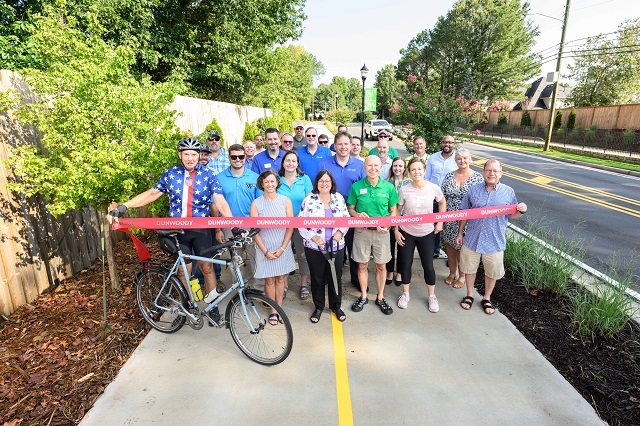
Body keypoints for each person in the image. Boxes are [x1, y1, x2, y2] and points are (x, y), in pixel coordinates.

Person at [107, 137, 232, 305]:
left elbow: (220, 201)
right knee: (183, 271)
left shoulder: (208, 174)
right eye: (186, 154)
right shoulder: (171, 173)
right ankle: (190, 307)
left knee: (207, 268)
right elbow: (152, 194)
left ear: (199, 155)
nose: (190, 158)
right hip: (178, 231)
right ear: (180, 155)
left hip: (201, 230)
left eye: (194, 154)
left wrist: (234, 224)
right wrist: (124, 206)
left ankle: (213, 306)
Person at [456, 159, 528, 315]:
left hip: (494, 241)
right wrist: (460, 233)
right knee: (469, 268)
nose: (492, 173)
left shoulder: (508, 192)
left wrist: (521, 211)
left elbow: (512, 216)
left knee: (492, 271)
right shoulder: (473, 190)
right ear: (483, 172)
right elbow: (464, 214)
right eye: (488, 170)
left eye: (495, 171)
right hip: (472, 238)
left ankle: (486, 298)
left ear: (501, 173)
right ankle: (469, 294)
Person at [347, 156, 398, 315]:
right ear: (364, 167)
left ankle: (380, 297)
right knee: (362, 265)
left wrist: (388, 225)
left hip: (382, 233)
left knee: (381, 265)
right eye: (370, 165)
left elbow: (394, 211)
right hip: (362, 232)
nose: (373, 168)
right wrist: (356, 215)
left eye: (376, 165)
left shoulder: (388, 187)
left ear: (381, 167)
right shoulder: (356, 186)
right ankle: (363, 296)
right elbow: (350, 208)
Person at [394, 158, 446, 312]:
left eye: (419, 169)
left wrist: (440, 222)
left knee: (428, 266)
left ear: (424, 171)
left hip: (427, 232)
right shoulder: (404, 190)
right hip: (406, 232)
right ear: (409, 172)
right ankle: (405, 294)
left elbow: (442, 203)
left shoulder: (433, 188)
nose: (416, 172)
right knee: (405, 264)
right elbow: (397, 210)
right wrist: (396, 229)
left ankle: (431, 296)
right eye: (413, 169)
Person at [298, 170, 350, 323]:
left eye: (327, 181)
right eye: (321, 181)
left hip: (336, 246)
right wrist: (313, 237)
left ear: (332, 182)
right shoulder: (309, 200)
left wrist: (340, 232)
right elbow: (300, 222)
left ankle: (336, 306)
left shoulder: (338, 198)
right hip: (314, 247)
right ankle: (319, 307)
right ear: (317, 183)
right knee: (317, 278)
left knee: (335, 277)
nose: (324, 184)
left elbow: (346, 218)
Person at [317, 132, 365, 289]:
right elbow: (318, 188)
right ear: (335, 146)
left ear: (351, 146)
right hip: (329, 215)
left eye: (346, 144)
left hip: (352, 214)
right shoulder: (324, 164)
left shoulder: (359, 165)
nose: (343, 147)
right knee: (328, 248)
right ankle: (326, 278)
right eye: (340, 144)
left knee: (352, 249)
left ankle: (355, 278)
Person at [250, 170, 296, 325]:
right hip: (265, 248)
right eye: (266, 182)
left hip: (282, 246)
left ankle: (280, 309)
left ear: (277, 182)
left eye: (272, 181)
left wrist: (283, 248)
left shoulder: (285, 201)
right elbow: (254, 231)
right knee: (269, 280)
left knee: (281, 278)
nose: (269, 184)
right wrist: (265, 251)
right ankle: (273, 311)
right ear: (261, 184)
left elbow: (291, 226)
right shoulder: (256, 203)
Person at [215, 144, 263, 286]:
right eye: (234, 157)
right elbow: (215, 205)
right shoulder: (219, 178)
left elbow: (260, 203)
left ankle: (257, 289)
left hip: (250, 225)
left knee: (254, 258)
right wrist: (218, 229)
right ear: (229, 158)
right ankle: (241, 290)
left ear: (244, 157)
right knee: (235, 260)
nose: (238, 159)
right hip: (229, 226)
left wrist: (256, 225)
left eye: (241, 156)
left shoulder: (255, 177)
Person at [441, 148, 484, 289]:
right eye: (459, 158)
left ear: (470, 160)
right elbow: (442, 197)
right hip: (450, 219)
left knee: (463, 250)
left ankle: (463, 276)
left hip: (469, 221)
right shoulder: (448, 176)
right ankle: (452, 273)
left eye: (465, 158)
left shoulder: (477, 178)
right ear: (455, 160)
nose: (462, 161)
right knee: (450, 248)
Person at [277, 150, 312, 300]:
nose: (290, 163)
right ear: (283, 163)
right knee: (283, 253)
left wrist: (298, 217)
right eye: (287, 160)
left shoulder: (304, 179)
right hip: (282, 224)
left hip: (300, 224)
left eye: (293, 161)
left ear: (297, 164)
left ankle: (304, 283)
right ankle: (283, 284)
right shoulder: (277, 180)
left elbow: (309, 201)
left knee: (302, 255)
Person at [425, 135, 457, 259]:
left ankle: (452, 257)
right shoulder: (433, 158)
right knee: (434, 225)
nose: (447, 145)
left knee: (451, 227)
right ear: (441, 143)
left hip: (451, 199)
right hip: (433, 198)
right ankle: (435, 250)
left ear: (454, 144)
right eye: (444, 142)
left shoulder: (457, 159)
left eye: (450, 142)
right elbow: (427, 177)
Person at [386, 157, 410, 286]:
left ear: (404, 168)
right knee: (389, 247)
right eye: (395, 166)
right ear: (392, 167)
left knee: (402, 247)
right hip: (390, 219)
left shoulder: (409, 182)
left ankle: (399, 273)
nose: (397, 168)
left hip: (404, 220)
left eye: (400, 166)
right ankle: (390, 271)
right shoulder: (386, 182)